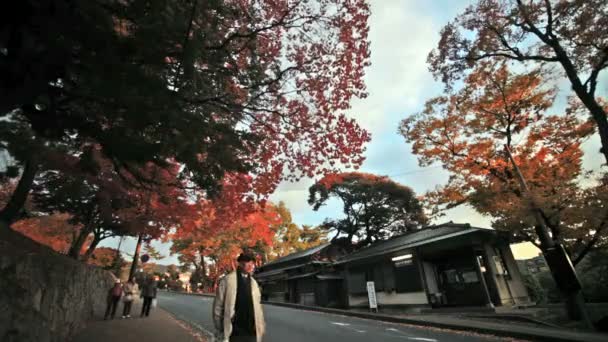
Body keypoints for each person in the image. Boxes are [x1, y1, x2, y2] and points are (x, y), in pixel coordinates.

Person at [213, 253, 266, 342]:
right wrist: (221, 328)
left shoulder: (253, 283)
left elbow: (258, 306)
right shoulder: (228, 280)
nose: (251, 266)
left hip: (251, 328)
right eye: (248, 264)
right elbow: (218, 306)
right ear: (240, 264)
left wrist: (260, 324)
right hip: (235, 329)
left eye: (252, 264)